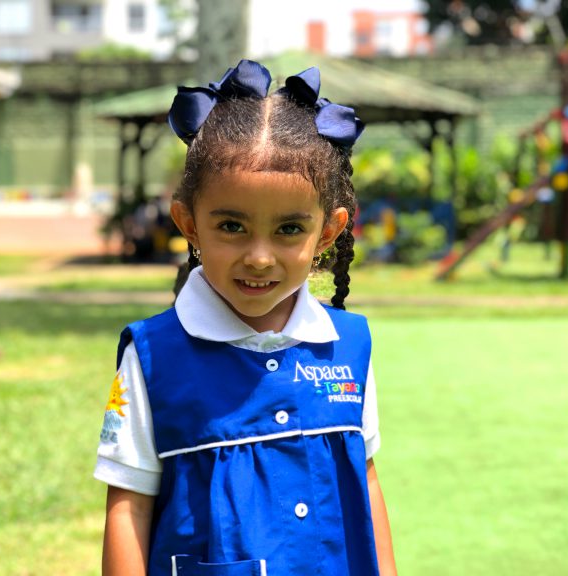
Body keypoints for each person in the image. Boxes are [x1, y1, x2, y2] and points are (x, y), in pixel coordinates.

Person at [95, 59, 396, 576]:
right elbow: (129, 507)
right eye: (232, 226)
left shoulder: (349, 345)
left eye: (289, 229)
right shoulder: (153, 357)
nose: (259, 257)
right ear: (189, 223)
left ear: (327, 233)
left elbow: (364, 480)